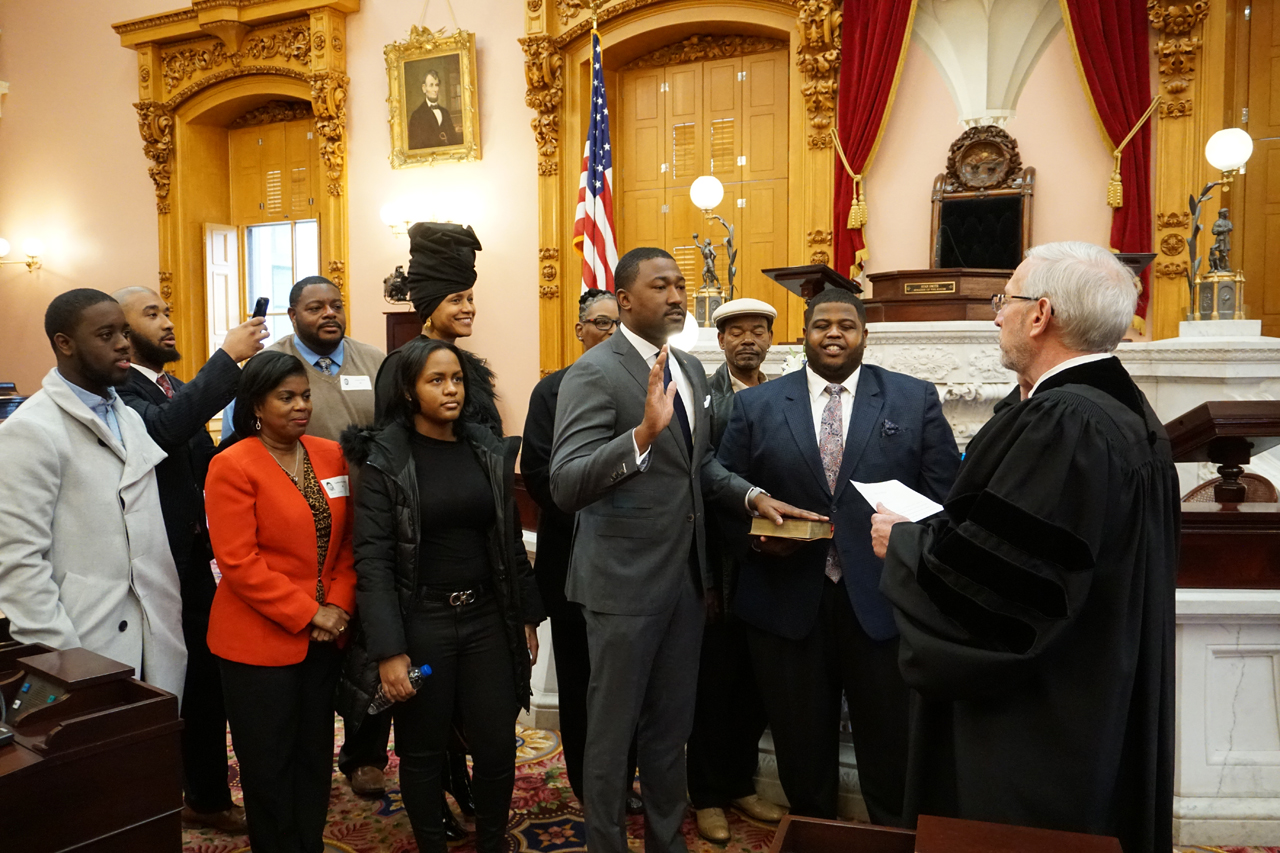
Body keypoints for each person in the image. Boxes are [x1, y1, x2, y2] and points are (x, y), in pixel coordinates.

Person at [870, 242, 1179, 853]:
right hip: (1094, 686)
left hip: (1039, 720)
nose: (994, 315)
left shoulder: (1067, 425)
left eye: (1003, 300)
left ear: (1040, 315)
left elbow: (1002, 595)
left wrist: (906, 546)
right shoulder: (1123, 410)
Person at [550, 247, 821, 853]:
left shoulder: (691, 371)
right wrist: (641, 436)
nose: (677, 296)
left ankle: (667, 843)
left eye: (680, 285)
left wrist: (752, 497)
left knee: (672, 733)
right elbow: (565, 484)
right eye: (661, 286)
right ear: (623, 301)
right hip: (620, 586)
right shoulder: (593, 372)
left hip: (685, 584)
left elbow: (698, 469)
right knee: (612, 737)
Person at [717, 287, 960, 826]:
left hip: (882, 604)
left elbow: (946, 499)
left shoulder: (911, 399)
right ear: (802, 335)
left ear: (864, 335)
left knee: (890, 749)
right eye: (821, 324)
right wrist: (756, 541)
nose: (833, 333)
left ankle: (893, 837)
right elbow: (722, 496)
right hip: (784, 605)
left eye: (846, 325)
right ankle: (815, 834)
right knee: (801, 752)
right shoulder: (754, 405)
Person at [338, 338, 543, 853]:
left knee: (497, 746)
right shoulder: (385, 457)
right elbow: (375, 561)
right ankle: (432, 843)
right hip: (422, 621)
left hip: (487, 617)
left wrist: (525, 617)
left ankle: (492, 842)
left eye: (456, 378)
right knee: (424, 748)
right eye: (436, 380)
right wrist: (389, 649)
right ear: (409, 391)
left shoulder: (485, 448)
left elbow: (508, 542)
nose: (451, 389)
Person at [114, 286, 267, 834]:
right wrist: (228, 358)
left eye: (168, 311)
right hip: (146, 565)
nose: (168, 322)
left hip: (196, 560)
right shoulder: (121, 394)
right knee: (161, 689)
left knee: (205, 681)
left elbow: (207, 463)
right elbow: (165, 430)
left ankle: (204, 795)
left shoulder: (172, 385)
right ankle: (152, 800)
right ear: (121, 334)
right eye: (152, 314)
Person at [0, 289, 186, 700]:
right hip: (84, 641)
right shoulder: (29, 431)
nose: (123, 343)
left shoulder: (129, 417)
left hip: (154, 628)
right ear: (64, 344)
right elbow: (19, 566)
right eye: (106, 335)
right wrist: (64, 659)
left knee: (154, 754)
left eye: (123, 331)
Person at [205, 351, 357, 853]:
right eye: (286, 397)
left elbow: (350, 544)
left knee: (314, 756)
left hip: (322, 639)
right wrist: (308, 612)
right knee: (268, 763)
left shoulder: (330, 454)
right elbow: (238, 562)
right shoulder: (231, 464)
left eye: (306, 396)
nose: (301, 406)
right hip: (256, 643)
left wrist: (336, 607)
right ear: (255, 405)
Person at [522, 288, 642, 813]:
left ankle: (625, 778)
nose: (610, 333)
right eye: (599, 323)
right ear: (579, 331)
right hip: (572, 556)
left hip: (635, 560)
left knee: (629, 680)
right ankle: (590, 786)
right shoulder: (552, 391)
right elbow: (541, 479)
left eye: (618, 324)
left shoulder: (646, 383)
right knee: (581, 679)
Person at [687, 297, 787, 842]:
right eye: (736, 333)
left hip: (772, 567)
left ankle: (742, 784)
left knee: (754, 684)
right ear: (721, 342)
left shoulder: (786, 393)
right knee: (714, 685)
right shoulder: (705, 397)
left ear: (772, 339)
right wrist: (704, 577)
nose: (748, 340)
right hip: (721, 566)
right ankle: (706, 794)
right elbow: (700, 484)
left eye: (758, 331)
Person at [222, 276, 384, 445]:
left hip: (367, 470)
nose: (330, 313)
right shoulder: (267, 364)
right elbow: (236, 436)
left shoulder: (374, 359)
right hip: (292, 470)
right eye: (315, 308)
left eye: (337, 307)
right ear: (293, 316)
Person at [375, 222, 500, 436]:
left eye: (470, 298)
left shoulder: (468, 365)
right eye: (456, 300)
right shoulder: (401, 364)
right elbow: (391, 444)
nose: (468, 309)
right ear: (430, 307)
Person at [408, 69, 462, 149]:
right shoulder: (416, 116)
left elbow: (454, 141)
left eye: (437, 85)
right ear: (424, 88)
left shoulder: (445, 112)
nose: (435, 89)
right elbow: (415, 147)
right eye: (431, 85)